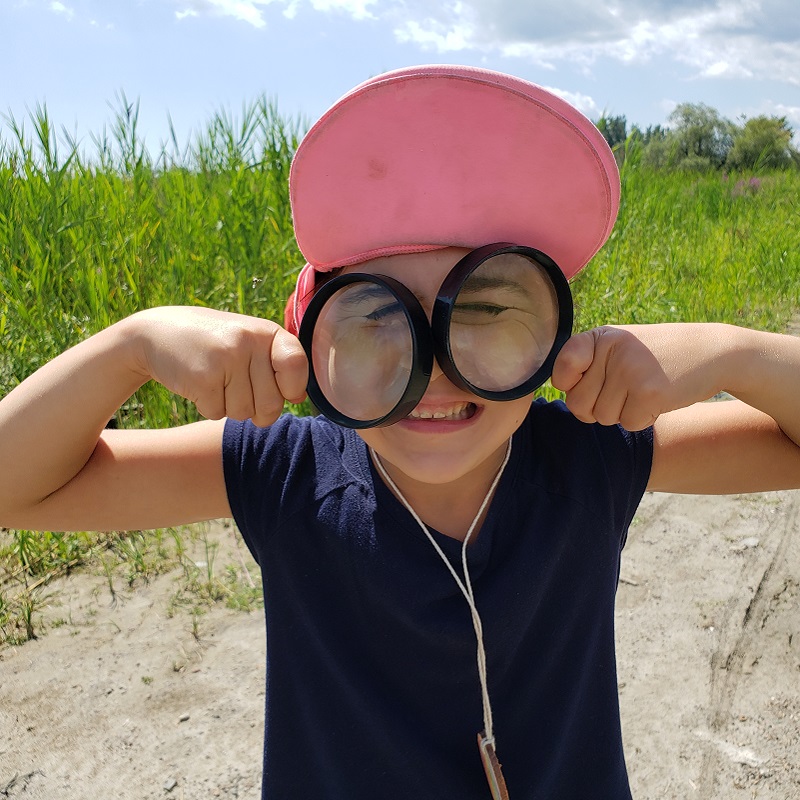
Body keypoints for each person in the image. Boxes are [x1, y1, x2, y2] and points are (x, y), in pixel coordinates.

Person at [1, 64, 799, 800]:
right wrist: (131, 344)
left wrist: (739, 351)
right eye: (377, 319)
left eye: (486, 310)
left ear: (555, 343)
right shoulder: (287, 475)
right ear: (310, 355)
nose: (437, 368)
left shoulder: (589, 458)